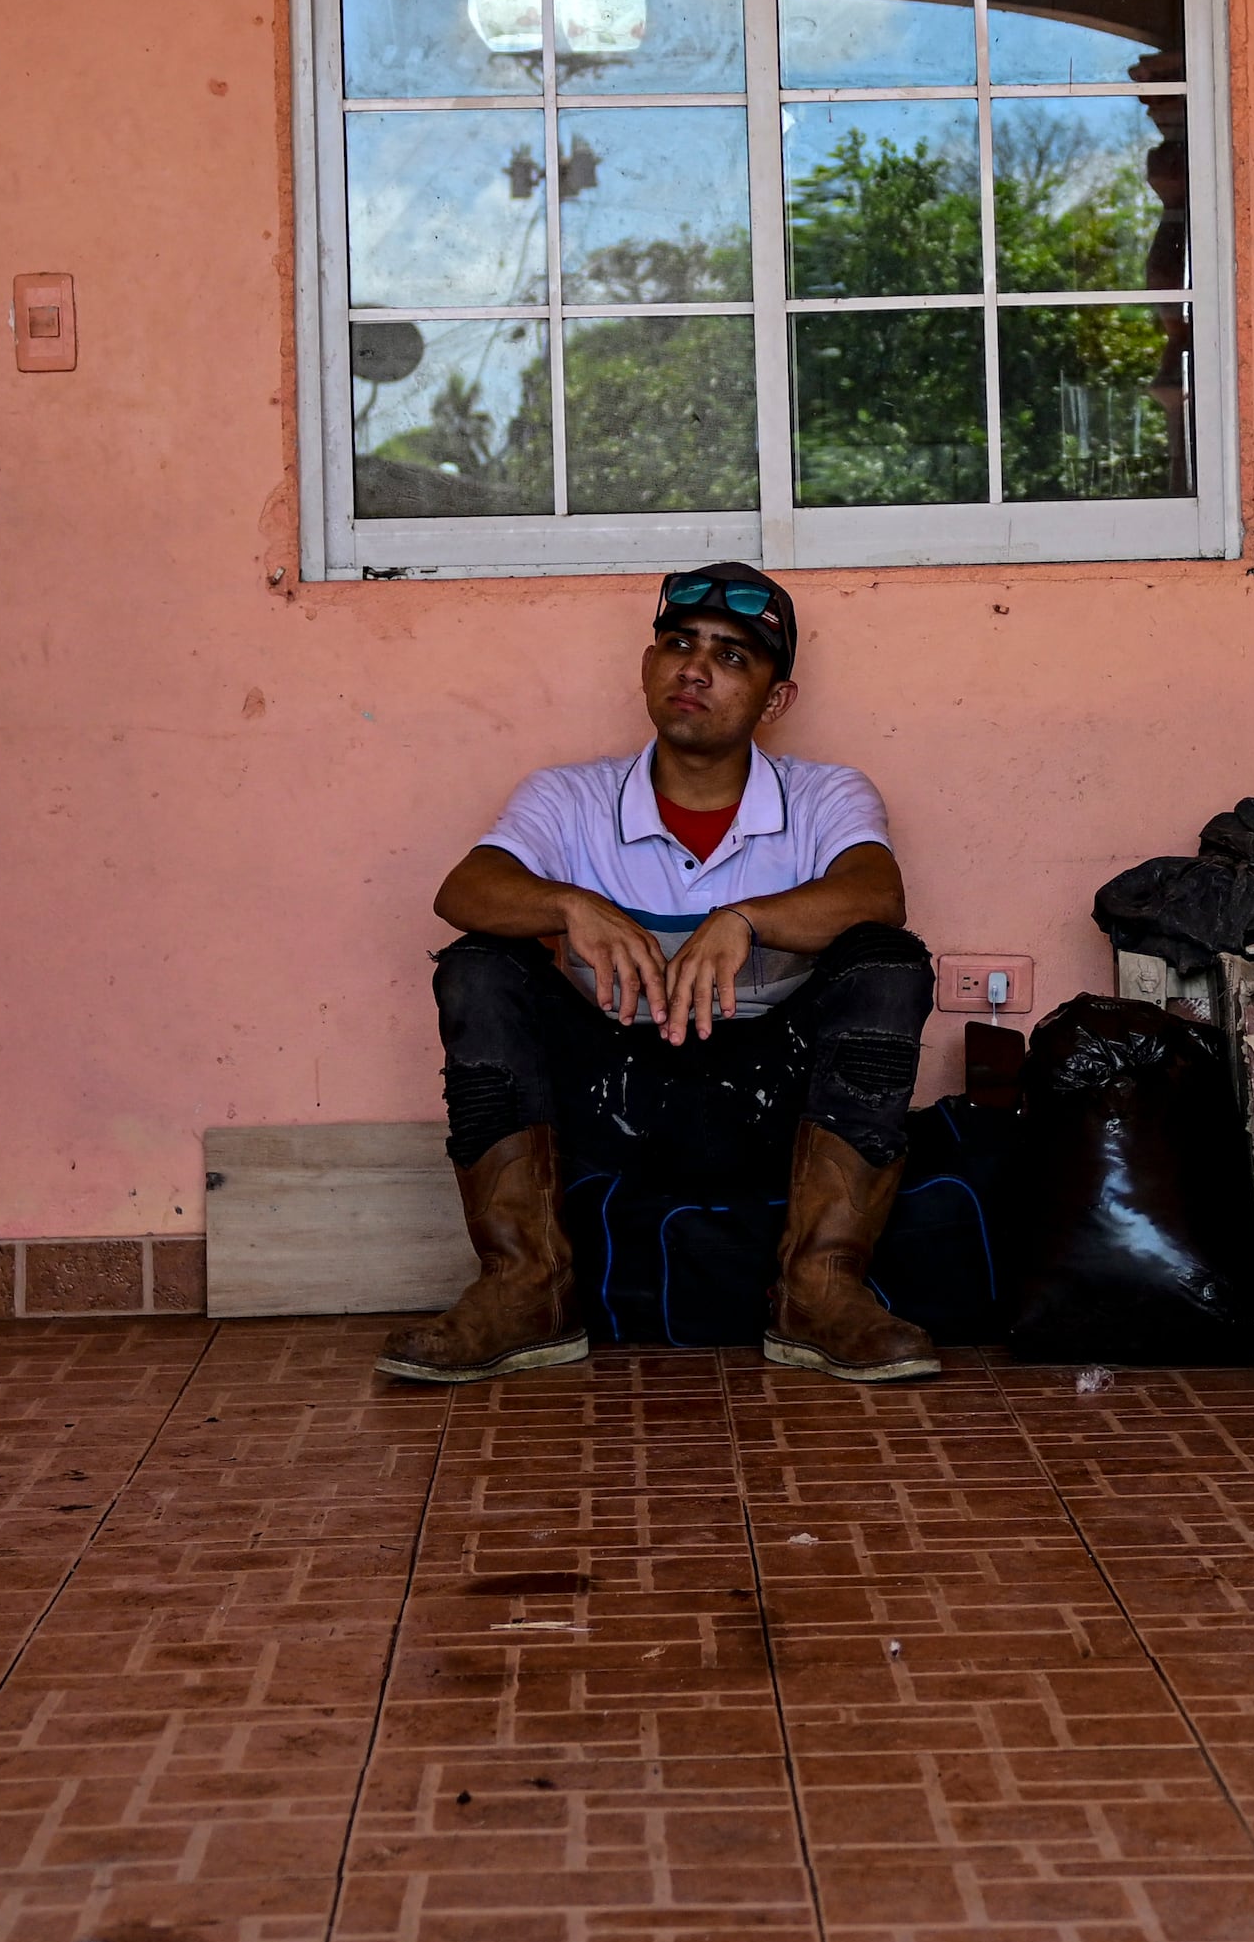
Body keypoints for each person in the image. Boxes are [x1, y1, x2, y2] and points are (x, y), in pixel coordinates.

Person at [378, 563, 942, 1388]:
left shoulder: (824, 794)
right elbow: (462, 892)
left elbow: (876, 892)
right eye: (678, 645)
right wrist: (569, 903)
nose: (695, 669)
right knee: (479, 964)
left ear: (776, 700)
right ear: (647, 668)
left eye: (734, 657)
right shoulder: (568, 797)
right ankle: (526, 1288)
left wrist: (745, 919)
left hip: (770, 1100)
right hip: (612, 1096)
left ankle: (821, 1291)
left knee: (886, 962)